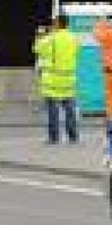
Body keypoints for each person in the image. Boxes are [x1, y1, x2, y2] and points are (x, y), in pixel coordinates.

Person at [34, 14, 80, 144]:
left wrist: (40, 35)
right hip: (69, 79)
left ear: (57, 24)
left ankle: (54, 138)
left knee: (53, 111)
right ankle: (73, 136)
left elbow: (37, 49)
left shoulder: (50, 39)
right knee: (69, 109)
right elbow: (76, 52)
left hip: (53, 81)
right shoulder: (74, 38)